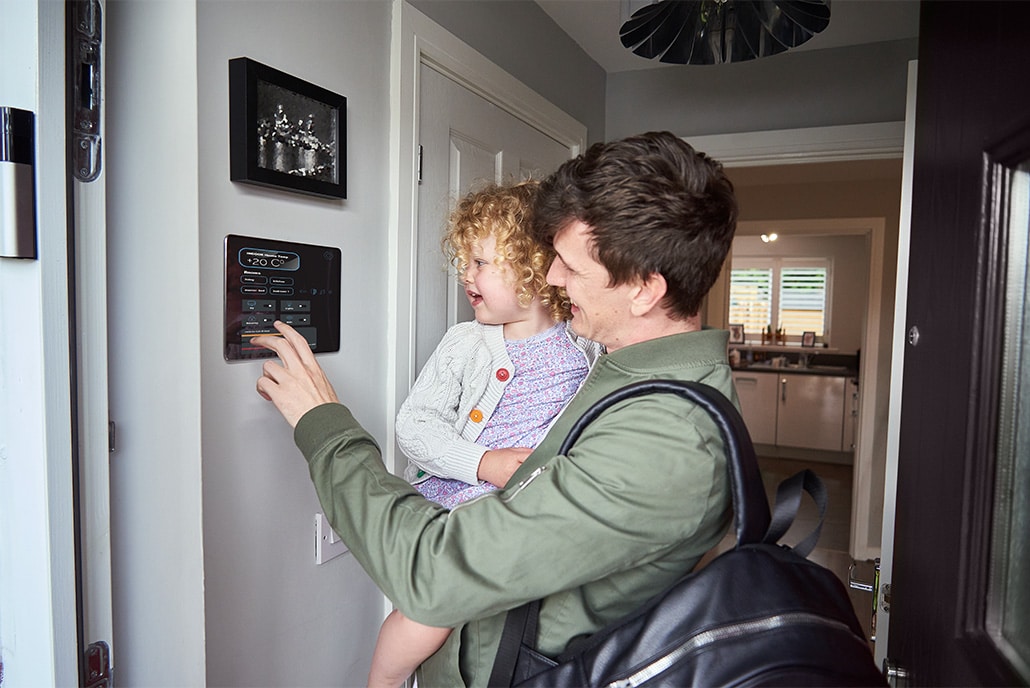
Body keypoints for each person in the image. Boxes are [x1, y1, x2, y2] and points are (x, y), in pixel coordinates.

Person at [254, 130, 739, 687]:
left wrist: (323, 425)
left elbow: (434, 572)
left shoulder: (668, 437)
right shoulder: (626, 372)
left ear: (644, 289)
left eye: (571, 267)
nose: (552, 277)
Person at [367, 180, 603, 687]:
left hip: (529, 514)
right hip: (460, 502)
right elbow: (414, 425)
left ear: (535, 268)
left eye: (480, 262)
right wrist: (484, 463)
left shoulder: (586, 348)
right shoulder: (465, 344)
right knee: (429, 613)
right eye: (465, 261)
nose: (465, 274)